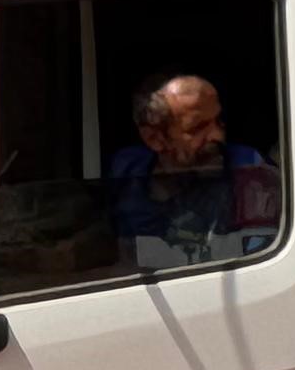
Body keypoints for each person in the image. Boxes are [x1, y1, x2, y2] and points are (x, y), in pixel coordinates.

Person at [107, 74, 282, 259]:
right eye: (197, 128)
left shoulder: (248, 170)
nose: (218, 136)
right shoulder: (126, 174)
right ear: (154, 139)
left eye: (219, 121)